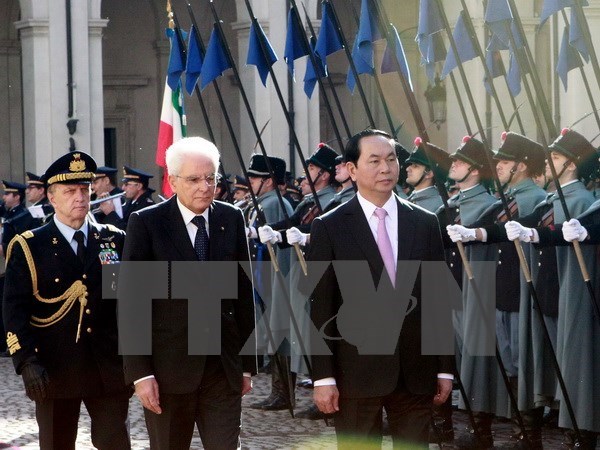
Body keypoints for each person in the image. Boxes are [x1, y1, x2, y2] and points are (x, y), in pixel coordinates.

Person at [308, 129, 454, 448]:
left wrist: (445, 369)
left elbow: (437, 301)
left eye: (391, 159)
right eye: (374, 161)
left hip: (415, 373)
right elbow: (320, 308)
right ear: (352, 168)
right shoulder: (329, 227)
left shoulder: (426, 223)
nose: (386, 168)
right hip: (355, 375)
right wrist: (323, 377)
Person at [121, 136, 256, 450]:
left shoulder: (230, 218)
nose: (204, 187)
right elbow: (131, 304)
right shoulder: (147, 223)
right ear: (172, 181)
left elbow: (243, 293)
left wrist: (247, 363)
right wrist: (140, 374)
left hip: (222, 369)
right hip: (168, 372)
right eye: (194, 179)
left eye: (211, 178)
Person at [2, 151, 130, 449]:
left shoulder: (112, 240)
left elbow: (124, 303)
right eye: (70, 191)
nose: (80, 198)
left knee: (115, 443)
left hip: (107, 368)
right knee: (57, 443)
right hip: (54, 368)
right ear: (51, 197)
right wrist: (26, 361)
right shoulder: (30, 246)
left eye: (85, 190)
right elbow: (14, 309)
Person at [447, 132, 547, 448]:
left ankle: (528, 435)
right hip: (502, 289)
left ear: (522, 165)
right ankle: (513, 430)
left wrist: (475, 232)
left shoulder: (530, 198)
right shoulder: (510, 196)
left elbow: (501, 230)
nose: (499, 166)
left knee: (521, 361)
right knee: (507, 360)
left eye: (505, 161)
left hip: (521, 289)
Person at [242, 154, 295, 412]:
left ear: (270, 181)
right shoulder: (261, 203)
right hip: (264, 278)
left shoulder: (274, 203)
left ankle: (283, 392)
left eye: (256, 177)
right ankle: (279, 390)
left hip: (276, 278)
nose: (250, 181)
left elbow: (280, 251)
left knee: (281, 336)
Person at [1, 181, 35, 256]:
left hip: (17, 256)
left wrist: (4, 248)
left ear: (17, 197)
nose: (4, 197)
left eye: (7, 194)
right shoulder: (8, 212)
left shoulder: (23, 215)